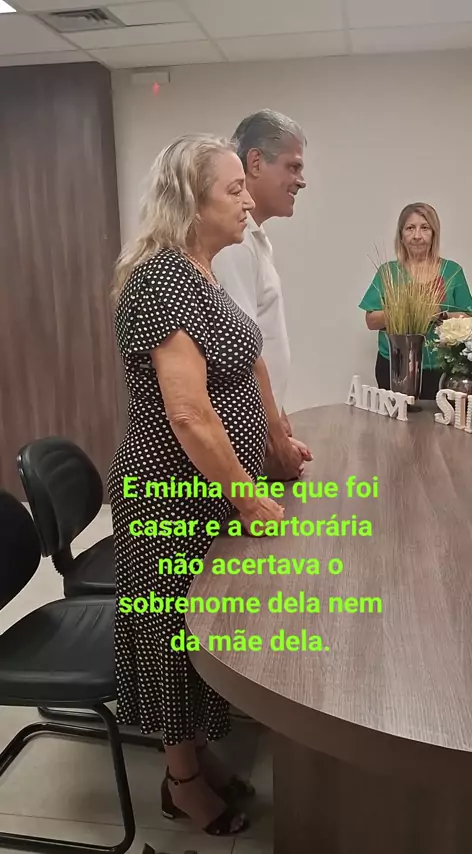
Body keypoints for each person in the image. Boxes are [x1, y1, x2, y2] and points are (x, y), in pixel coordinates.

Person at [107, 134, 287, 837]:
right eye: (234, 189)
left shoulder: (201, 274)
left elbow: (247, 363)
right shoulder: (160, 278)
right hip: (166, 493)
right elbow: (187, 411)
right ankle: (180, 781)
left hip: (203, 492)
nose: (247, 201)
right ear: (189, 200)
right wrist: (247, 493)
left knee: (198, 632)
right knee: (172, 635)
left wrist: (274, 440)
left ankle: (197, 757)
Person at [212, 109, 312, 477]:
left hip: (257, 429)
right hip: (242, 441)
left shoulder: (254, 239)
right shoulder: (234, 245)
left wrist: (278, 417)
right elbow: (244, 355)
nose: (301, 181)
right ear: (255, 162)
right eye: (293, 167)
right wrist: (274, 439)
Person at [359, 202, 472, 399]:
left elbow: (471, 320)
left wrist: (439, 314)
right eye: (410, 228)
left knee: (438, 419)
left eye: (425, 228)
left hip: (441, 368)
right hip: (394, 366)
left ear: (434, 234)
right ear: (401, 235)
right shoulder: (388, 272)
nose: (417, 235)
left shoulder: (452, 271)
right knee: (396, 419)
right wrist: (408, 312)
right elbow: (371, 321)